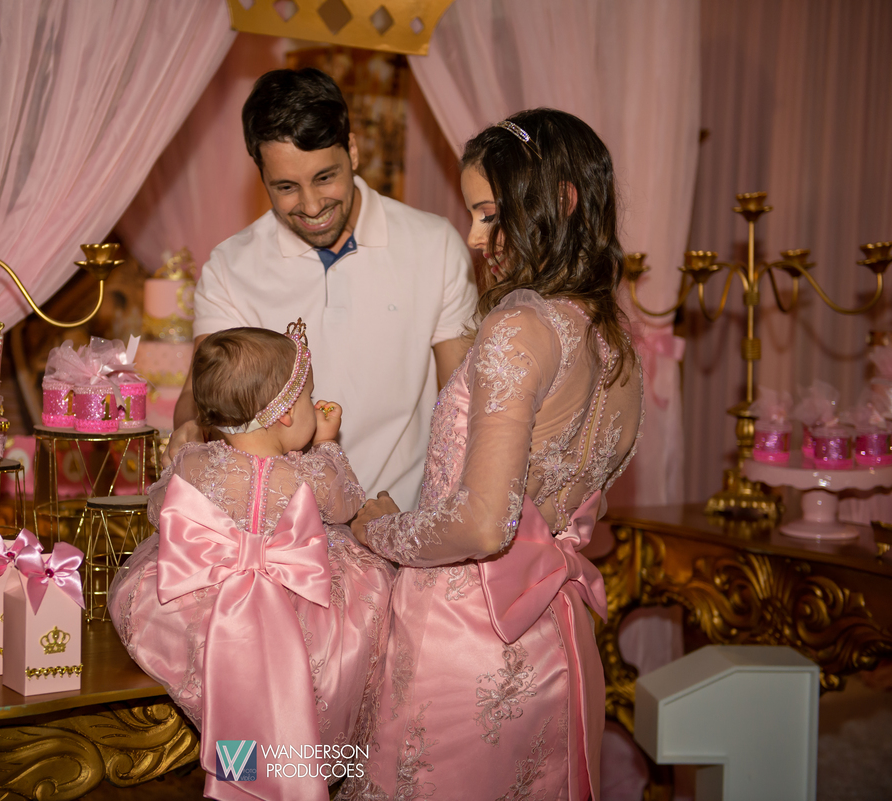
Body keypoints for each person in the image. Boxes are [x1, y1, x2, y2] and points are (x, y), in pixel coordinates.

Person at [344, 109, 644, 800]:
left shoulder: (520, 325)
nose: (476, 238)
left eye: (488, 214)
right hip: (553, 640)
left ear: (560, 200)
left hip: (462, 638)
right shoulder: (618, 346)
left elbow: (485, 525)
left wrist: (379, 529)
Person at [109, 323, 395, 801]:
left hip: (205, 604)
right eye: (309, 398)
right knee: (315, 670)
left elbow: (161, 510)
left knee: (236, 694)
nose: (314, 407)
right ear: (285, 414)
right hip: (305, 603)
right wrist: (328, 445)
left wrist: (176, 458)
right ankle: (293, 770)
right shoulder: (311, 474)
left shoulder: (196, 463)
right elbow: (347, 502)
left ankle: (240, 769)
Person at [167, 68, 477, 509]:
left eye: (325, 178)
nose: (311, 206)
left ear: (353, 150)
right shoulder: (230, 266)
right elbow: (198, 398)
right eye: (286, 187)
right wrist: (189, 430)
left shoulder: (435, 244)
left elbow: (462, 403)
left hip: (404, 514)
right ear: (261, 176)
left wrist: (434, 520)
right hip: (283, 528)